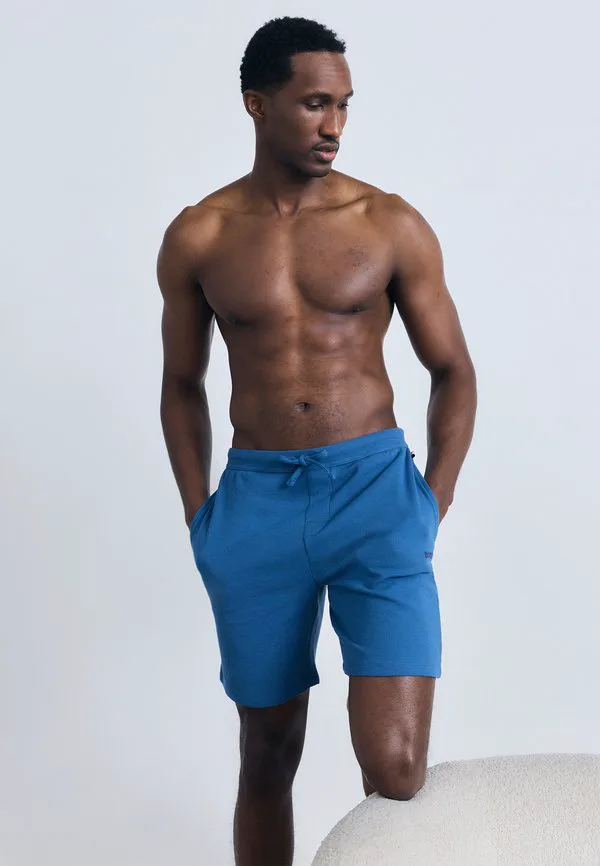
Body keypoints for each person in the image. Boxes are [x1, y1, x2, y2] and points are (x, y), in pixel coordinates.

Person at [157, 15, 477, 866]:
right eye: (313, 105)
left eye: (343, 105)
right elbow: (181, 384)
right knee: (268, 751)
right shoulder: (201, 234)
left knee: (397, 770)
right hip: (255, 505)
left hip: (377, 497)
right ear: (256, 104)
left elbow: (454, 371)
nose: (333, 125)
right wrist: (200, 516)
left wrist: (428, 504)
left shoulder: (389, 223)